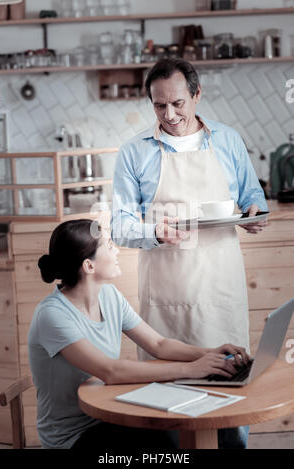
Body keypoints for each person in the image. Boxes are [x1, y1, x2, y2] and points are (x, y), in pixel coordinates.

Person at [111, 58, 268, 448]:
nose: (170, 114)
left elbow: (253, 198)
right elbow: (119, 227)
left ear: (197, 95)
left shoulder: (228, 140)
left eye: (178, 103)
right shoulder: (134, 152)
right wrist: (155, 232)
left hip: (221, 292)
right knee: (165, 413)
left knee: (230, 399)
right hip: (167, 300)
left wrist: (254, 214)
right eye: (159, 105)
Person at [28, 219, 249, 450]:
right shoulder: (52, 315)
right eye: (109, 245)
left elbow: (158, 343)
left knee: (217, 424)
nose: (116, 251)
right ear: (89, 266)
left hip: (112, 412)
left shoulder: (109, 295)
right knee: (168, 441)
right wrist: (193, 369)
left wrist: (210, 353)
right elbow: (110, 371)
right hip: (74, 437)